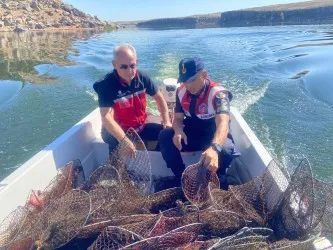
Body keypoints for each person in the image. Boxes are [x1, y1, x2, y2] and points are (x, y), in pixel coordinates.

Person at [158, 57, 239, 189]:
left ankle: (218, 177)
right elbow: (178, 119)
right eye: (184, 81)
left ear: (204, 74)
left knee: (226, 149)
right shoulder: (181, 91)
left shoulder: (219, 95)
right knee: (165, 136)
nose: (188, 85)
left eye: (192, 80)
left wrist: (214, 148)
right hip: (192, 133)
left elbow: (223, 123)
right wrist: (178, 131)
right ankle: (181, 177)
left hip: (213, 135)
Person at [93, 44, 172, 156]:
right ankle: (116, 167)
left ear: (136, 62)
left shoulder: (143, 78)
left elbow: (159, 98)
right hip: (115, 131)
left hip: (140, 128)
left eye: (132, 65)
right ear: (114, 64)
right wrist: (124, 140)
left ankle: (156, 158)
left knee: (167, 134)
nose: (129, 70)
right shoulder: (106, 85)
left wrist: (167, 120)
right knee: (116, 143)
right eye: (124, 67)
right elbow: (106, 117)